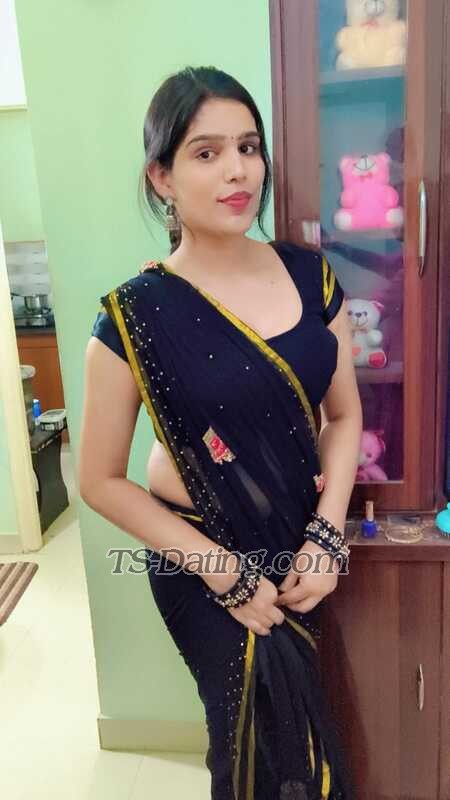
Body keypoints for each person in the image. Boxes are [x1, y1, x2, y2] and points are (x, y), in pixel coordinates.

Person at [79, 65, 362, 799]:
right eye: (206, 153)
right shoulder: (136, 316)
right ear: (162, 178)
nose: (238, 171)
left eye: (248, 147)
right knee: (249, 744)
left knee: (309, 731)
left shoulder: (311, 279)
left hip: (303, 550)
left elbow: (344, 416)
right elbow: (100, 480)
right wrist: (223, 571)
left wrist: (327, 536)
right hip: (199, 557)